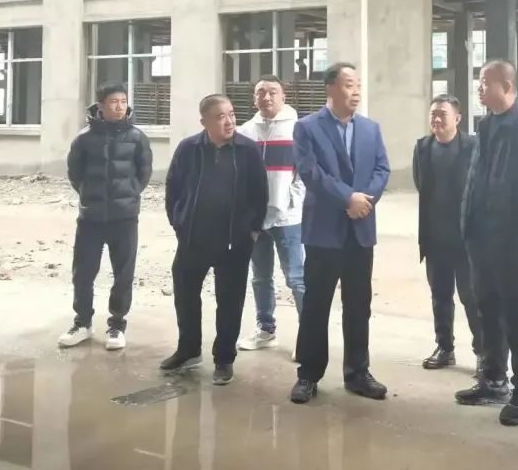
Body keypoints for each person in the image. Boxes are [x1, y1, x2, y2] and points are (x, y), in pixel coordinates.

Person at [455, 59, 518, 427]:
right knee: (486, 309)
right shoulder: (486, 125)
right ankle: (494, 380)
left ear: (507, 87)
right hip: (480, 239)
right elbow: (477, 180)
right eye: (479, 82)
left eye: (485, 82)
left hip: (512, 243)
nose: (479, 88)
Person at [289, 63, 391, 404]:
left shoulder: (371, 129)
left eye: (358, 85)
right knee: (317, 304)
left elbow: (382, 169)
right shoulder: (307, 127)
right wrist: (348, 198)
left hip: (360, 230)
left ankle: (358, 373)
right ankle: (308, 375)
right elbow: (310, 172)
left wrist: (365, 200)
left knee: (359, 305)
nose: (356, 91)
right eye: (349, 84)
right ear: (330, 88)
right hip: (324, 231)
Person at [160, 95, 268, 386]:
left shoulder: (247, 150)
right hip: (193, 239)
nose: (229, 121)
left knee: (230, 301)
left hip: (234, 242)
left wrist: (252, 230)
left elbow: (260, 193)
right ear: (204, 122)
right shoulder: (189, 148)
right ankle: (188, 350)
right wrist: (178, 222)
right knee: (185, 296)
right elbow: (173, 187)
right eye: (220, 116)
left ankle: (224, 358)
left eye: (231, 114)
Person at [60, 82, 153, 351]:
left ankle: (117, 326)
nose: (119, 106)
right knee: (83, 273)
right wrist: (90, 195)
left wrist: (129, 193)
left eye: (123, 101)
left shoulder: (137, 138)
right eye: (113, 102)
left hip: (125, 218)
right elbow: (75, 175)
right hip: (90, 218)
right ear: (100, 106)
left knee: (123, 273)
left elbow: (143, 173)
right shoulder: (84, 139)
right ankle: (82, 323)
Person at [236, 76, 307, 352]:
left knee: (296, 278)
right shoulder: (246, 132)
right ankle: (266, 329)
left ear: (283, 97)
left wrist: (292, 200)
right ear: (254, 98)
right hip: (256, 220)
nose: (266, 97)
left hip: (289, 219)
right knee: (260, 277)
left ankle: (309, 336)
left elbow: (305, 172)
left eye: (273, 92)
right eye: (260, 92)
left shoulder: (298, 130)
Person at [412, 94, 482, 373]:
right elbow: (421, 185)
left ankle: (483, 352)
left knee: (471, 297)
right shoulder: (423, 148)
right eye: (433, 114)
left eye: (442, 114)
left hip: (466, 239)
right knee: (440, 296)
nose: (437, 119)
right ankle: (445, 348)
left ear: (458, 118)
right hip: (435, 238)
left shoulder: (472, 147)